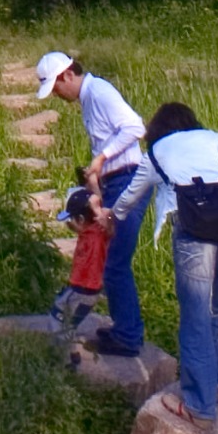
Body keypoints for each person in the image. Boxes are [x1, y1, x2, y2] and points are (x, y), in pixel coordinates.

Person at [141, 101, 218, 423]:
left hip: (195, 233)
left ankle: (199, 407)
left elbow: (135, 191)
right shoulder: (209, 140)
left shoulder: (160, 151)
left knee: (196, 315)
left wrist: (113, 214)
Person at [32, 51, 148, 357]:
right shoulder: (88, 100)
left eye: (56, 88)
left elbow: (136, 127)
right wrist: (95, 178)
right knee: (113, 261)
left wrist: (100, 158)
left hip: (128, 179)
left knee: (114, 264)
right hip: (115, 181)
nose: (57, 95)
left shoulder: (100, 93)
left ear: (67, 75)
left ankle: (128, 338)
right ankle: (125, 329)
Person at [52, 181, 111, 334]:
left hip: (82, 288)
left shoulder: (91, 238)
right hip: (90, 289)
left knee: (59, 318)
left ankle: (62, 353)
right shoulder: (98, 231)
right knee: (70, 320)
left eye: (71, 220)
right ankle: (69, 350)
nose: (69, 224)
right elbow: (107, 217)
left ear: (81, 219)